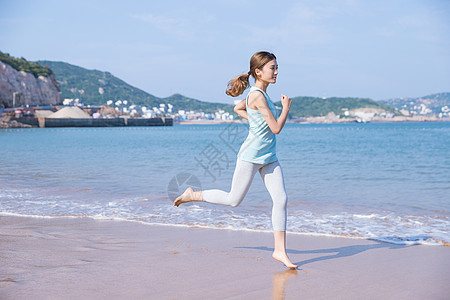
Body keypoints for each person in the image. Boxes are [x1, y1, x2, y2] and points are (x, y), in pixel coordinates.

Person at [174, 51, 297, 269]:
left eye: (277, 68)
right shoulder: (257, 95)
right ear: (258, 72)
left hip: (269, 157)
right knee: (233, 200)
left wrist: (255, 122)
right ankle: (192, 195)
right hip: (251, 156)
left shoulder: (263, 95)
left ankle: (279, 251)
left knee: (281, 199)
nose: (276, 72)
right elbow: (276, 128)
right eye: (273, 68)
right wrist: (286, 108)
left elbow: (237, 107)